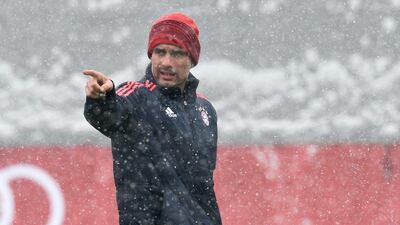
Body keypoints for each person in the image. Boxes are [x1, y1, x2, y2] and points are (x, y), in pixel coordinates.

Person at [83, 12, 222, 225]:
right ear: (151, 55)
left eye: (176, 54)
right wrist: (101, 98)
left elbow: (205, 187)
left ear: (192, 60)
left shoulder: (205, 110)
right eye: (160, 52)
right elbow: (109, 115)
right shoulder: (136, 96)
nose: (166, 62)